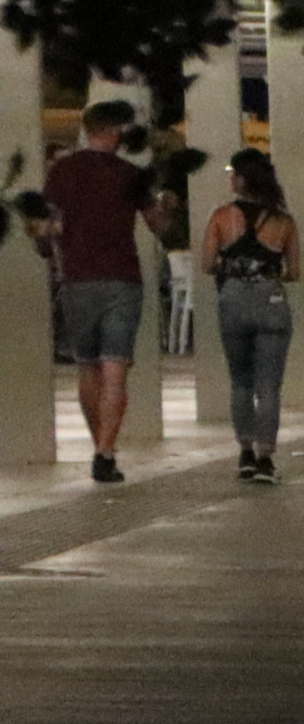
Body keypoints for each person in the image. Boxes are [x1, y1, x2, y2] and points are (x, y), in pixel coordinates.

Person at [36, 100, 178, 486]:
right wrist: (167, 206)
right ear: (116, 132)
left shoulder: (62, 170)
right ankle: (105, 451)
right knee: (115, 369)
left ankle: (100, 444)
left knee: (88, 366)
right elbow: (158, 226)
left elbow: (47, 226)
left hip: (78, 279)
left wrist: (49, 248)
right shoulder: (132, 175)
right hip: (122, 279)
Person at [201, 150, 301, 485]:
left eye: (233, 173)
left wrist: (232, 267)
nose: (230, 178)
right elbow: (295, 272)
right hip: (271, 300)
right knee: (269, 386)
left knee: (241, 381)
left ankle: (244, 452)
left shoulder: (221, 217)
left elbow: (207, 263)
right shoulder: (283, 221)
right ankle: (265, 459)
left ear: (243, 178)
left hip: (232, 300)